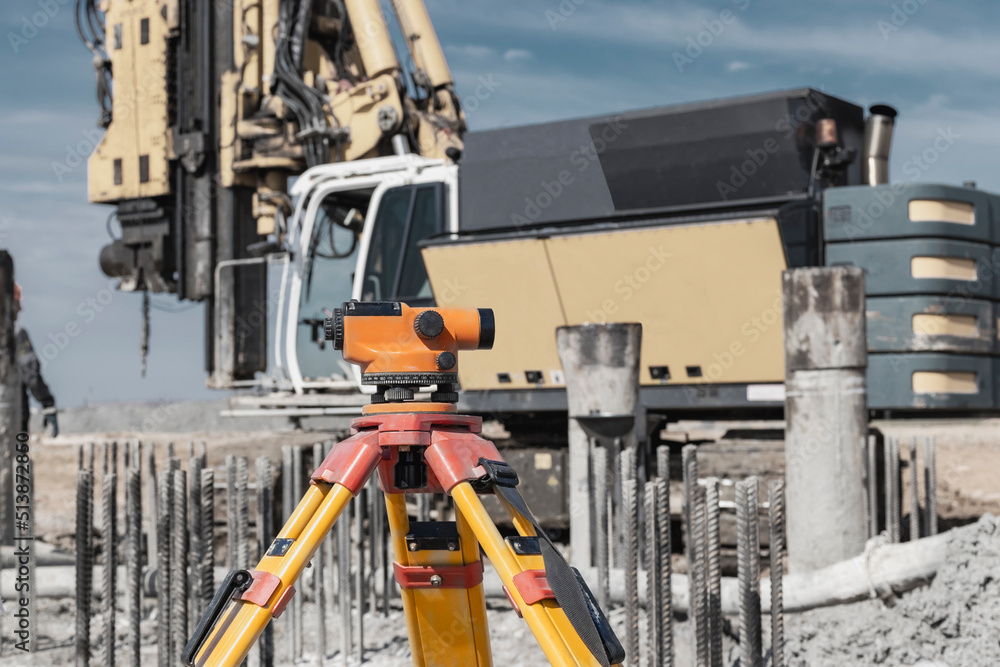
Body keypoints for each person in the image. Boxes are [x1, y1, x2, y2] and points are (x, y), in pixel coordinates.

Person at [13, 284, 58, 437]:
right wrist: (48, 403)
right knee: (19, 459)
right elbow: (31, 377)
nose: (21, 308)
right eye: (17, 302)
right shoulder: (16, 334)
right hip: (13, 421)